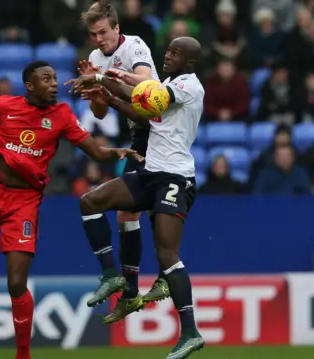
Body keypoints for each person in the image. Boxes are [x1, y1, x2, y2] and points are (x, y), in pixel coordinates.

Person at [0, 60, 142, 359]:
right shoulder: (3, 106)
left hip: (24, 202)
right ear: (30, 85)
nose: (53, 84)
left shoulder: (61, 115)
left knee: (16, 282)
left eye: (54, 78)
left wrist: (116, 152)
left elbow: (96, 152)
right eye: (45, 79)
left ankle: (23, 355)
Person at [67, 37, 206, 359]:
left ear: (189, 62)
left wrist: (103, 78)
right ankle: (112, 275)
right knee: (90, 202)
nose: (167, 56)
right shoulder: (169, 83)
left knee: (167, 252)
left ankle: (190, 332)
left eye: (175, 53)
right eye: (167, 50)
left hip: (174, 178)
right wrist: (109, 99)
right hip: (150, 174)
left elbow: (148, 96)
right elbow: (147, 117)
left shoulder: (189, 85)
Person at [76, 0, 163, 312]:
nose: (99, 40)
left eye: (103, 32)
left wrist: (102, 81)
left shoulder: (134, 47)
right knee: (128, 213)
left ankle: (155, 279)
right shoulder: (95, 57)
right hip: (139, 133)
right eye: (93, 34)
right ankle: (130, 292)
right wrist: (97, 95)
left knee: (147, 208)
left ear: (116, 28)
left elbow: (146, 83)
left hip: (158, 130)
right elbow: (99, 113)